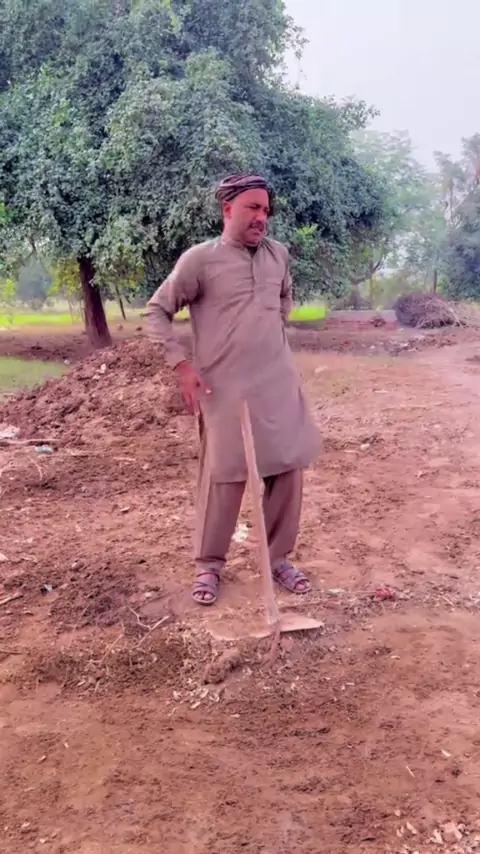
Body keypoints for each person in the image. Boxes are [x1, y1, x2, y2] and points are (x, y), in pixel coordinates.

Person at [146, 174, 321, 605]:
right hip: (224, 389)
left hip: (277, 383)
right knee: (224, 475)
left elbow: (284, 299)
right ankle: (209, 565)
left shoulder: (278, 255)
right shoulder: (200, 261)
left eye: (266, 210)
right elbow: (158, 310)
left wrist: (269, 329)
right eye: (252, 208)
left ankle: (277, 558)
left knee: (287, 470)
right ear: (228, 210)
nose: (262, 217)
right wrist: (182, 365)